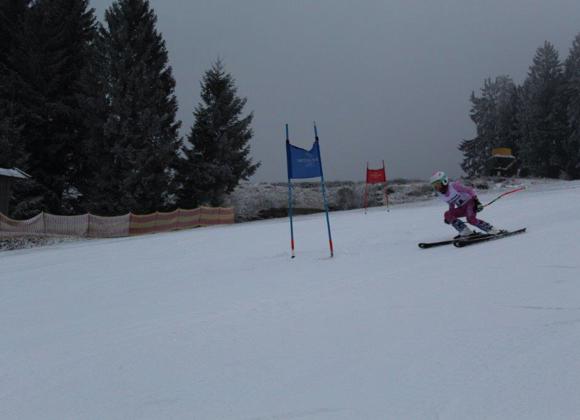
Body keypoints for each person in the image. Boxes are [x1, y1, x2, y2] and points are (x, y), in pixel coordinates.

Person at [429, 171, 503, 237]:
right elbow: (451, 204)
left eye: (437, 184)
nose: (436, 187)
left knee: (471, 219)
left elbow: (469, 190)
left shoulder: (454, 186)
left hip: (470, 203)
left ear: (444, 181)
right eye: (434, 186)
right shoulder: (442, 194)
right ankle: (465, 231)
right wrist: (450, 218)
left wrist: (477, 202)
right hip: (462, 208)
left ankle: (492, 229)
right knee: (447, 214)